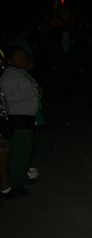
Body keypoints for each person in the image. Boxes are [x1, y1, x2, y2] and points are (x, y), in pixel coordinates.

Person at [0, 47, 40, 196]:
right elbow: (11, 97)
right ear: (9, 61)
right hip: (18, 119)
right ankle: (15, 183)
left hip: (26, 118)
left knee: (25, 152)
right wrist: (35, 92)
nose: (23, 59)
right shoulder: (9, 76)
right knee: (19, 153)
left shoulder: (19, 72)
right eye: (19, 57)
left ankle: (21, 178)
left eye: (24, 57)